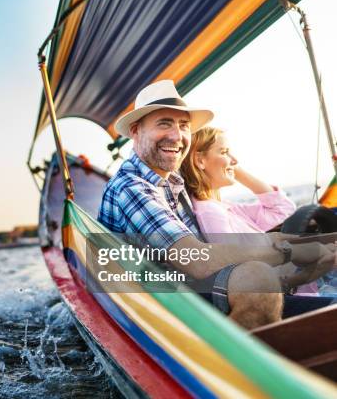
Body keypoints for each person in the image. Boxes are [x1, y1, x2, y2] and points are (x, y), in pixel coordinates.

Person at [98, 79, 334, 329]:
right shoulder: (131, 187)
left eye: (184, 126)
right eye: (164, 124)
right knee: (258, 277)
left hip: (191, 291)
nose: (177, 136)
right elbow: (197, 260)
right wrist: (292, 252)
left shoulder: (174, 181)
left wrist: (312, 247)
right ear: (136, 131)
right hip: (157, 307)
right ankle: (224, 364)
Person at [180, 126, 332, 296]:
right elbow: (235, 264)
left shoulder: (227, 208)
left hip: (305, 287)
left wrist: (231, 168)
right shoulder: (210, 212)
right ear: (199, 160)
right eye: (224, 152)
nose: (235, 160)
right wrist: (297, 276)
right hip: (290, 293)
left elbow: (282, 209)